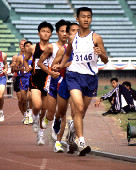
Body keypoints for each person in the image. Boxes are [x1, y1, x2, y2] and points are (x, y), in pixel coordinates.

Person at [53, 7, 108, 156]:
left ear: (91, 19)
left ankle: (72, 133)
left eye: (89, 17)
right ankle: (81, 141)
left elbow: (105, 59)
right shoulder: (72, 38)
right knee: (77, 106)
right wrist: (62, 64)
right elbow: (68, 53)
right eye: (83, 16)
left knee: (81, 113)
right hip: (74, 76)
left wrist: (100, 53)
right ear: (77, 19)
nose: (86, 19)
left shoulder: (96, 38)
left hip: (90, 78)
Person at [37, 19, 70, 136]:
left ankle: (58, 136)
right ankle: (48, 117)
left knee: (62, 112)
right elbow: (39, 63)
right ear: (57, 33)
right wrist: (51, 73)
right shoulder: (51, 47)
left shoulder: (73, 47)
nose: (65, 34)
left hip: (67, 81)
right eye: (62, 31)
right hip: (53, 81)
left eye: (67, 31)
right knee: (50, 114)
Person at [51, 22, 80, 153]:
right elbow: (54, 64)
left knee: (76, 113)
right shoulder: (64, 48)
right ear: (68, 34)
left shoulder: (84, 48)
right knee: (61, 114)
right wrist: (60, 66)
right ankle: (58, 141)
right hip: (64, 82)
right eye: (73, 31)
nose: (76, 33)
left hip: (78, 84)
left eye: (78, 31)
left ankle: (70, 141)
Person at [24, 21, 54, 145]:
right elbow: (25, 60)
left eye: (48, 32)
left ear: (51, 34)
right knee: (36, 106)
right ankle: (35, 119)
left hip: (47, 82)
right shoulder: (33, 48)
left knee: (44, 109)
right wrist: (27, 67)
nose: (45, 33)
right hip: (35, 80)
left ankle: (40, 135)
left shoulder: (53, 48)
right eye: (43, 31)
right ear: (38, 33)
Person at [11, 38, 31, 125]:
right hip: (20, 79)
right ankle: (25, 115)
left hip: (30, 79)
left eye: (25, 45)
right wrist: (18, 68)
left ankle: (30, 114)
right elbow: (13, 69)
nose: (23, 47)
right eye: (22, 45)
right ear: (20, 46)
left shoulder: (33, 56)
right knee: (21, 100)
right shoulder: (17, 57)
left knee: (30, 98)